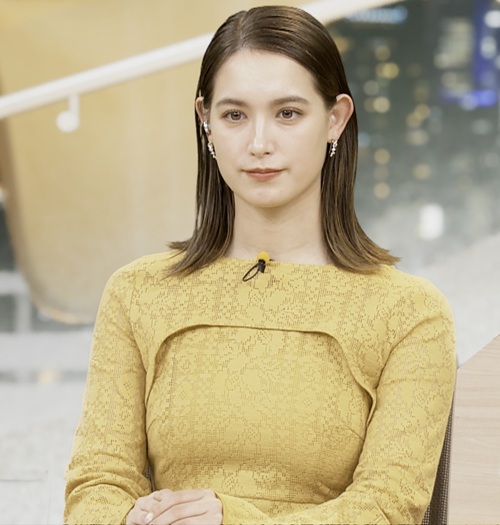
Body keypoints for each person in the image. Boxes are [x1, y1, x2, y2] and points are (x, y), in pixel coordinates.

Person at [64, 5, 456, 525]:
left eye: (287, 113)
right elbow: (96, 485)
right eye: (234, 115)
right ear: (205, 121)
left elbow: (387, 508)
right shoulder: (137, 292)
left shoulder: (409, 312)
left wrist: (229, 520)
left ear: (336, 119)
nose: (258, 144)